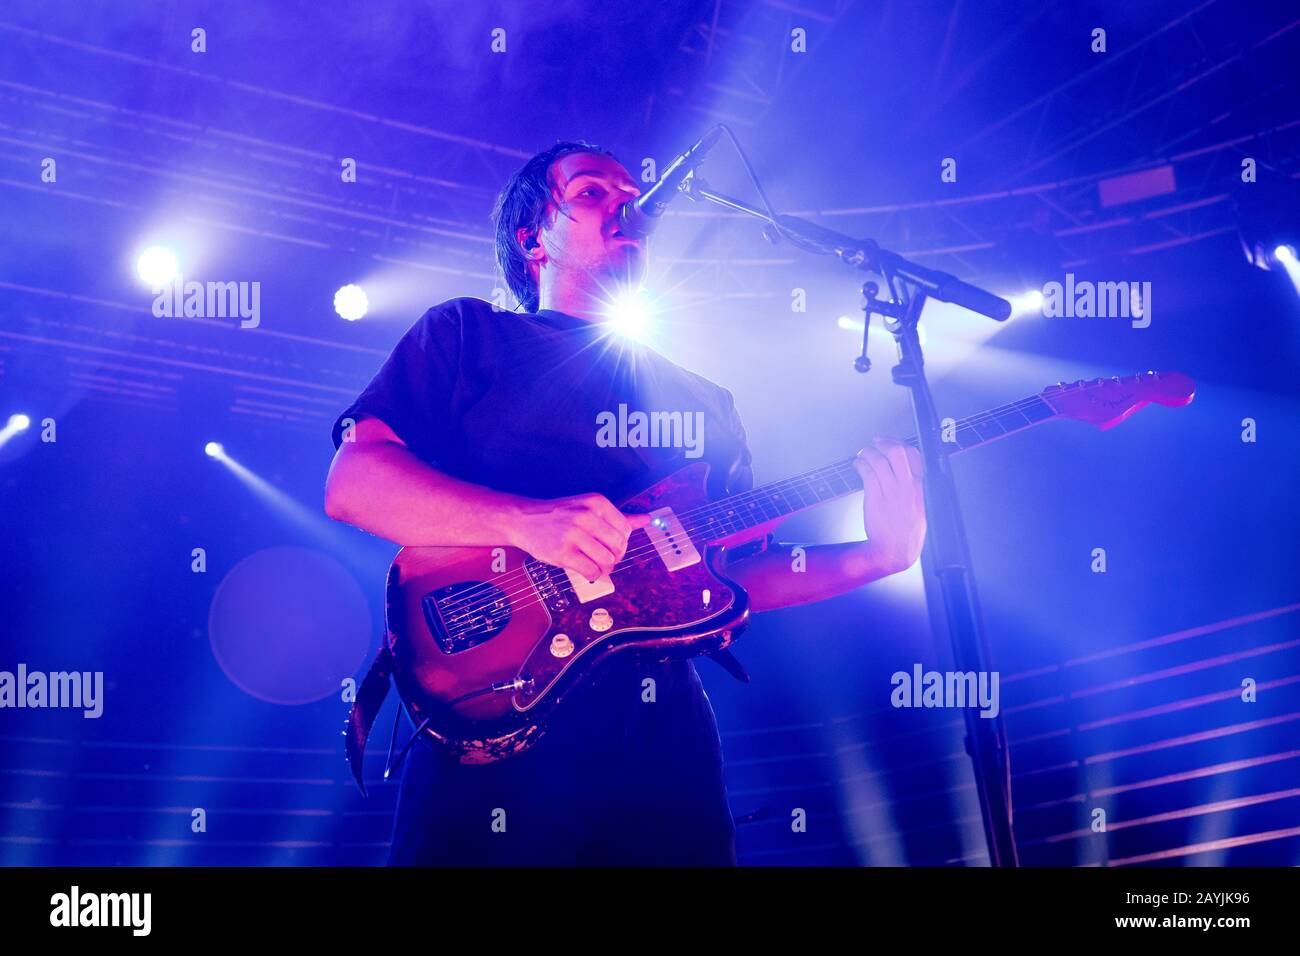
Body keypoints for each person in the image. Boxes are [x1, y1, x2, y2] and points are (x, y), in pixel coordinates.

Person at [323, 140, 926, 865]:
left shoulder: (705, 399)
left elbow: (735, 575)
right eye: (591, 194)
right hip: (488, 727)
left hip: (661, 750)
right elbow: (353, 483)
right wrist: (528, 524)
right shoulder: (467, 335)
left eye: (630, 196)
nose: (624, 208)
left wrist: (878, 556)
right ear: (530, 239)